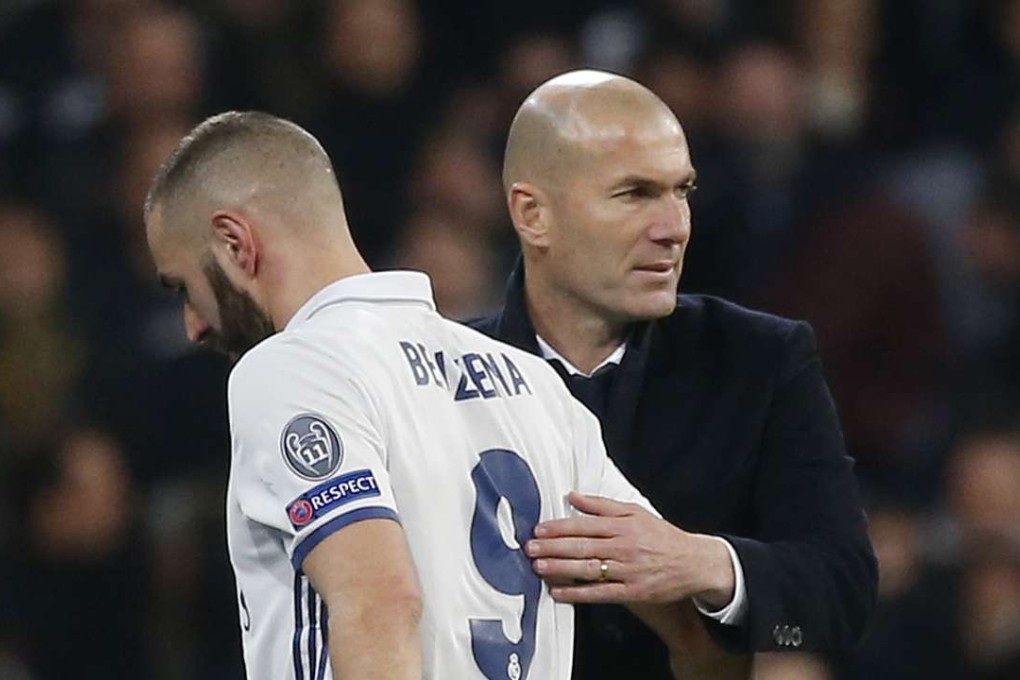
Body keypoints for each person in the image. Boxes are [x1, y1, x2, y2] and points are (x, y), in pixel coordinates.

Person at [142, 111, 665, 680]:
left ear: (234, 243)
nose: (193, 325)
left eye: (186, 288)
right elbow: (667, 577)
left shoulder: (292, 366)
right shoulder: (533, 381)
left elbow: (381, 600)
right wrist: (733, 576)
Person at [469, 70, 878, 678]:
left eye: (681, 191)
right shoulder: (437, 372)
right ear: (533, 215)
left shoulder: (759, 360)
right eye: (635, 193)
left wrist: (705, 564)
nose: (674, 227)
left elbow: (842, 599)